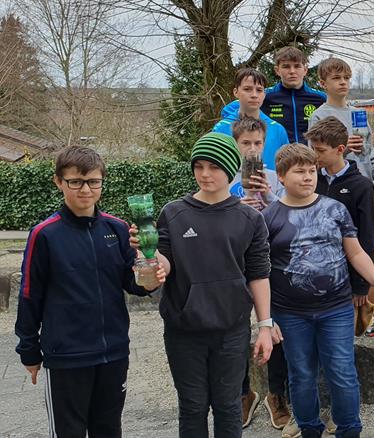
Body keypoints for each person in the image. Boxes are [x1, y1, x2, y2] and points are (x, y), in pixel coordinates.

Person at [15, 146, 165, 437]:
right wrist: (29, 351)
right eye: (76, 181)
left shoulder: (118, 228)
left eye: (93, 181)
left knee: (108, 430)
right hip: (66, 357)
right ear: (59, 182)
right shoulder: (44, 234)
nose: (86, 189)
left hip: (114, 352)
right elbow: (30, 295)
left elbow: (131, 281)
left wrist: (150, 280)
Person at [138, 132, 274, 438]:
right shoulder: (173, 213)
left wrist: (265, 326)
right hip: (184, 331)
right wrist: (148, 251)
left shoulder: (250, 218)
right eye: (198, 166)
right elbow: (165, 263)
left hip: (232, 330)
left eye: (213, 166)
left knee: (229, 406)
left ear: (230, 168)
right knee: (192, 407)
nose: (204, 174)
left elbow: (259, 274)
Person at [263, 143, 374, 438]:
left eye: (311, 171)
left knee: (342, 372)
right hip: (290, 313)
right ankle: (309, 429)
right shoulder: (269, 218)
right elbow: (260, 272)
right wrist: (265, 318)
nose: (308, 177)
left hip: (336, 308)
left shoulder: (335, 209)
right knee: (301, 375)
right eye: (299, 172)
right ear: (281, 176)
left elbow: (355, 253)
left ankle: (349, 429)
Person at [229, 115, 291, 430]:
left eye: (258, 143)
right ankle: (244, 393)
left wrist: (269, 197)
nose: (252, 149)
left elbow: (289, 216)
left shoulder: (274, 178)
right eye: (246, 143)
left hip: (270, 260)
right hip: (234, 263)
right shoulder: (224, 177)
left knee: (275, 324)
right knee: (236, 327)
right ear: (235, 144)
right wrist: (237, 205)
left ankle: (276, 393)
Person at [307, 116, 374, 326]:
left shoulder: (362, 186)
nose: (315, 155)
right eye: (313, 149)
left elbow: (367, 236)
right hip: (313, 274)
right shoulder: (311, 181)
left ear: (339, 149)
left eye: (320, 150)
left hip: (346, 278)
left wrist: (361, 285)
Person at [309, 57, 374, 191]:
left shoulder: (358, 114)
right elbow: (315, 158)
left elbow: (369, 151)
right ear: (323, 84)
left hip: (363, 186)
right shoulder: (318, 116)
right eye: (336, 78)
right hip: (334, 187)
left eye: (346, 78)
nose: (343, 82)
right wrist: (344, 149)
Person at [221, 46, 327, 145]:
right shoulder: (265, 95)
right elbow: (229, 109)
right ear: (277, 70)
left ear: (305, 70)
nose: (292, 71)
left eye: (297, 66)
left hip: (310, 156)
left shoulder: (320, 98)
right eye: (286, 66)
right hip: (278, 154)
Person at [214, 68, 290, 170]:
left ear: (264, 94)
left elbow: (287, 168)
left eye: (259, 90)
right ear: (236, 92)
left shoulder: (277, 129)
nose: (254, 95)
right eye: (247, 89)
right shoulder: (221, 129)